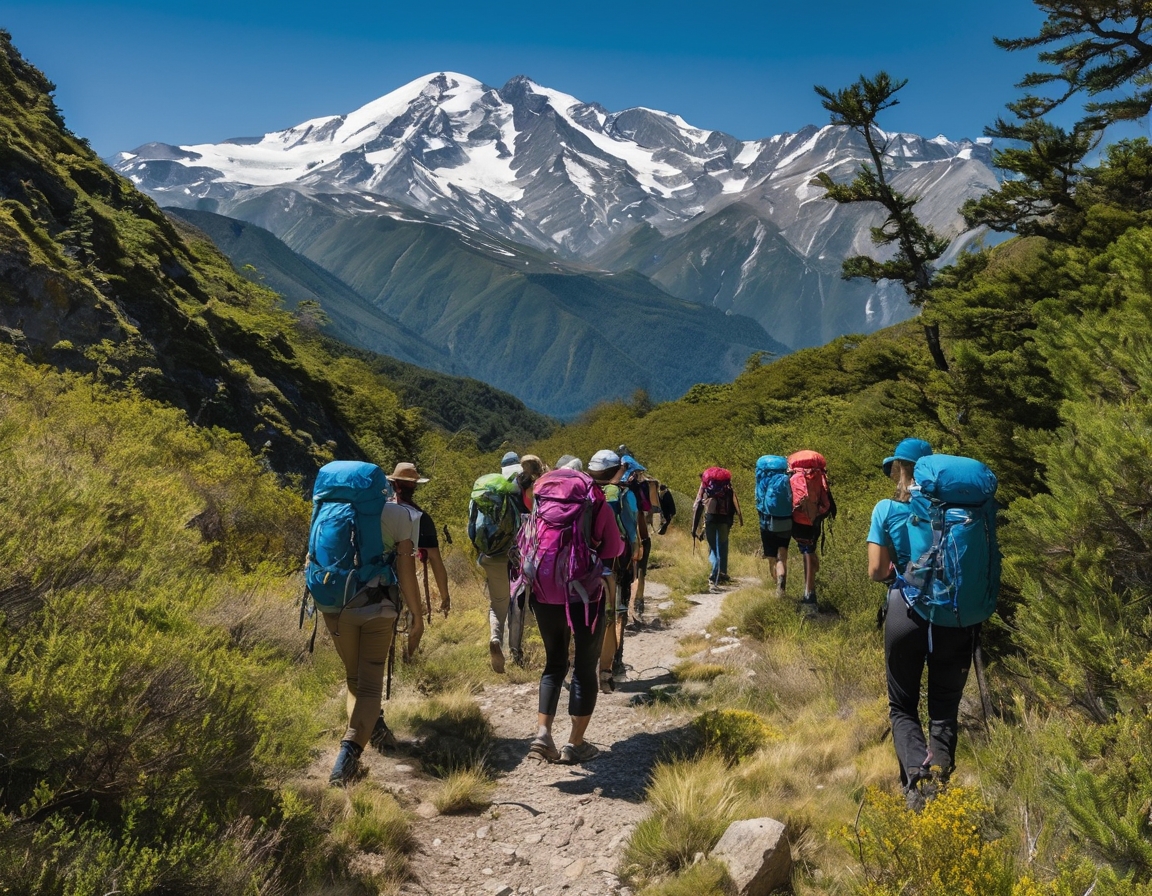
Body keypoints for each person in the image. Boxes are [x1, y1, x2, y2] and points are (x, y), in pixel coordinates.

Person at [867, 438, 978, 810]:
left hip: (906, 613)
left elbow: (876, 571)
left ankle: (916, 779)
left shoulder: (886, 509)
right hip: (957, 617)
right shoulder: (962, 510)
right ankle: (940, 783)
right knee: (944, 708)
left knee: (902, 706)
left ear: (899, 470)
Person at [517, 464, 625, 764]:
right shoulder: (594, 499)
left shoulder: (540, 499)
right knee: (584, 665)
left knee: (554, 663)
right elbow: (613, 547)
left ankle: (542, 734)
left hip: (543, 588)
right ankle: (574, 744)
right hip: (583, 593)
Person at [324, 483, 422, 785]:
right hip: (377, 606)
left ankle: (371, 731)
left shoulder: (329, 512)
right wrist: (417, 616)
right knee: (369, 686)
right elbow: (406, 570)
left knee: (354, 679)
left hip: (333, 605)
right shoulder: (397, 514)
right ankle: (347, 758)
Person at [389, 462, 452, 654]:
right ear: (415, 486)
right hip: (404, 576)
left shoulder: (383, 509)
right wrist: (444, 595)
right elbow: (434, 559)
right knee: (417, 624)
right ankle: (408, 663)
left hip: (375, 573)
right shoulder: (420, 517)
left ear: (393, 484)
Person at [476, 450, 523, 673]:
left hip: (491, 555)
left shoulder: (486, 491)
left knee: (498, 603)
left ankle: (495, 638)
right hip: (517, 554)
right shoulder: (519, 489)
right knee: (517, 604)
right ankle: (515, 653)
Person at [692, 467, 743, 593]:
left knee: (713, 548)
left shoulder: (705, 489)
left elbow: (698, 506)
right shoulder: (728, 489)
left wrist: (694, 528)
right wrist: (738, 519)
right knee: (722, 545)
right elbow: (734, 505)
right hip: (724, 521)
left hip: (710, 519)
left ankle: (713, 577)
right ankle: (721, 573)